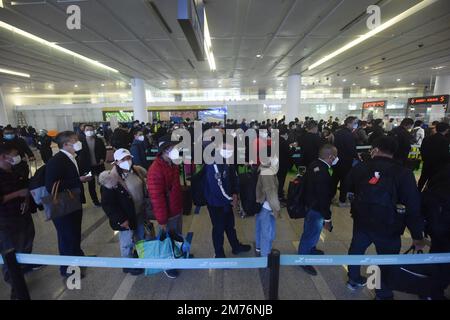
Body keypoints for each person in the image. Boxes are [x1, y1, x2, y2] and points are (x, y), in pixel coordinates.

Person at [345, 136, 425, 299]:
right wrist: (417, 235)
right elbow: (413, 206)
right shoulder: (403, 173)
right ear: (393, 152)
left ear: (375, 148)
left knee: (356, 251)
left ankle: (353, 279)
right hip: (389, 225)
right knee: (386, 260)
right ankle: (382, 292)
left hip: (362, 221)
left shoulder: (360, 167)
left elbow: (348, 188)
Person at [45, 131, 92, 278]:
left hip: (73, 202)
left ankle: (78, 257)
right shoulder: (57, 160)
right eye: (75, 140)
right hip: (63, 206)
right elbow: (51, 185)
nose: (78, 142)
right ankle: (67, 269)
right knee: (66, 236)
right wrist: (79, 180)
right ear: (65, 144)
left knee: (74, 233)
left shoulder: (72, 157)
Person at [99, 149, 147, 276]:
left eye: (128, 158)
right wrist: (121, 219)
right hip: (125, 216)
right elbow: (108, 204)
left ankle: (137, 255)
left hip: (139, 211)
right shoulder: (111, 179)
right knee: (127, 241)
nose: (127, 161)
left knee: (140, 235)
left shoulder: (136, 171)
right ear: (116, 162)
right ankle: (127, 264)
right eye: (123, 159)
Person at [203, 139, 251, 258]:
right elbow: (217, 188)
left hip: (226, 201)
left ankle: (235, 246)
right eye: (226, 148)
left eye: (230, 148)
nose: (229, 151)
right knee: (218, 229)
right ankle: (219, 253)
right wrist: (231, 199)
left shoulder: (228, 160)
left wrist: (235, 192)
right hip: (216, 203)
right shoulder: (213, 163)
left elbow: (234, 178)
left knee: (230, 225)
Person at [0, 144, 36, 299]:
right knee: (10, 251)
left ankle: (23, 268)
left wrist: (27, 198)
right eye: (14, 154)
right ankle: (15, 285)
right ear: (3, 157)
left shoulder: (14, 171)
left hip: (22, 214)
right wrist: (18, 194)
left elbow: (25, 187)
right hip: (7, 219)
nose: (17, 157)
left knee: (26, 242)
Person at [147, 135, 184, 279]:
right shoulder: (155, 170)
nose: (176, 150)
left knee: (176, 236)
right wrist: (162, 220)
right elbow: (157, 198)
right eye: (173, 148)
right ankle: (167, 266)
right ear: (164, 151)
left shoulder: (172, 164)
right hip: (167, 213)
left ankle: (178, 256)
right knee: (166, 240)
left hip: (175, 209)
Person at [298, 144, 338, 276]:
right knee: (310, 234)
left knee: (311, 231)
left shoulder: (314, 164)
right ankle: (303, 259)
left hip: (310, 204)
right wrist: (327, 218)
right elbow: (323, 198)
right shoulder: (323, 173)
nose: (337, 158)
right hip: (316, 209)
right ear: (331, 157)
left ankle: (311, 248)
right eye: (335, 156)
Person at [255, 152, 281, 257]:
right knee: (268, 234)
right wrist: (277, 210)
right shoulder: (268, 173)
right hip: (267, 207)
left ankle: (259, 247)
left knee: (260, 228)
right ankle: (266, 255)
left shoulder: (263, 168)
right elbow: (271, 193)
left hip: (260, 204)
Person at [332, 116, 359, 207]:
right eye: (354, 123)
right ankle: (342, 201)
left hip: (336, 160)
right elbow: (351, 149)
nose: (356, 125)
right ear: (349, 123)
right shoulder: (349, 134)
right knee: (344, 181)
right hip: (346, 161)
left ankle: (331, 197)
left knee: (334, 180)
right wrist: (357, 156)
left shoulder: (337, 133)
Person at [79, 124, 106, 207]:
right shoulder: (80, 142)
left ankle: (104, 198)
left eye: (91, 129)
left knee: (103, 182)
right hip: (88, 167)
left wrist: (102, 159)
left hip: (99, 165)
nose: (89, 131)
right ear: (84, 131)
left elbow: (103, 151)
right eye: (87, 130)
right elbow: (78, 154)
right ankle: (95, 201)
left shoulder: (99, 140)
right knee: (91, 184)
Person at [418, 122, 450, 191]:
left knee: (422, 179)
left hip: (427, 163)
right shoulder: (445, 141)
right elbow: (445, 154)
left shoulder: (427, 138)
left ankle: (417, 193)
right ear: (447, 130)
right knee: (432, 182)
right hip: (438, 165)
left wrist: (424, 159)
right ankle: (427, 195)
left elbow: (422, 150)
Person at [277, 129, 293, 202]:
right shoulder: (284, 142)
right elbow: (288, 153)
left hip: (276, 163)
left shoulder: (276, 140)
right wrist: (292, 147)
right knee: (281, 179)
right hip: (283, 164)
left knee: (277, 179)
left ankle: (278, 192)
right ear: (285, 134)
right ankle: (279, 195)